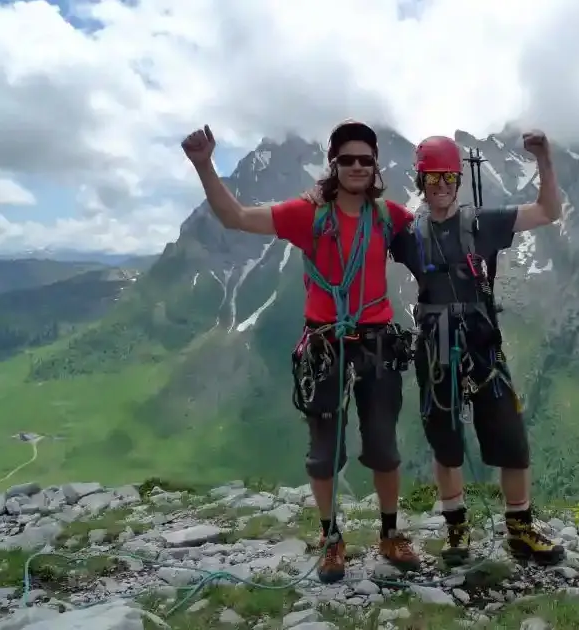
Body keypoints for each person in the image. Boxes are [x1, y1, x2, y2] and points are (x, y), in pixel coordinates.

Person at [181, 119, 421, 584]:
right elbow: (236, 217)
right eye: (347, 159)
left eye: (364, 160)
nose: (356, 166)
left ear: (375, 167)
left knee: (384, 447)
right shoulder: (308, 214)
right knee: (324, 452)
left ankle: (390, 534)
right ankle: (332, 539)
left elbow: (435, 227)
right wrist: (205, 165)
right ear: (334, 164)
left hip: (375, 342)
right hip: (325, 342)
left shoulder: (389, 216)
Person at [388, 131, 566, 567]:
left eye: (448, 176)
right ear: (421, 182)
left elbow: (548, 211)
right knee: (444, 443)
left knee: (511, 439)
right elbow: (358, 224)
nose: (441, 185)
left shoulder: (484, 222)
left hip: (481, 345)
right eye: (432, 178)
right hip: (435, 345)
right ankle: (456, 531)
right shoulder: (407, 234)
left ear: (458, 179)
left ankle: (520, 531)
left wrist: (544, 158)